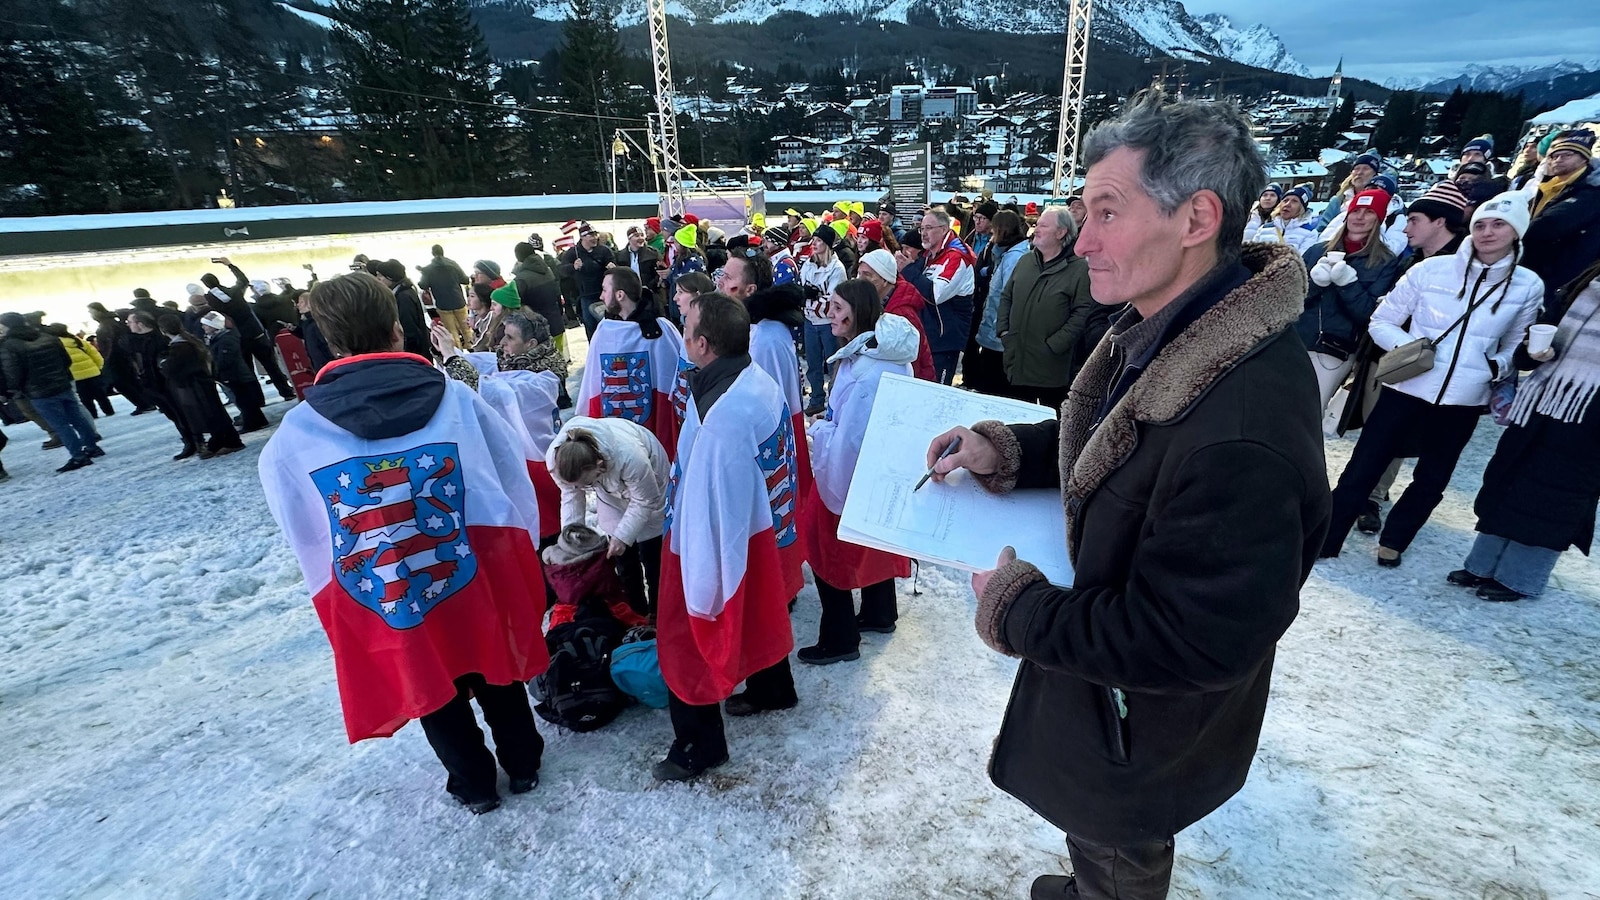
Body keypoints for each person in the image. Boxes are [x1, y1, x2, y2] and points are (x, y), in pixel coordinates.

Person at [923, 94, 1330, 900]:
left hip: (1140, 716)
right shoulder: (1176, 326)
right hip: (1114, 694)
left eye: (1107, 212)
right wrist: (1010, 451)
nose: (1084, 240)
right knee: (1102, 834)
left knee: (1119, 840)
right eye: (1084, 213)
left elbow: (1190, 642)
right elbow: (1126, 439)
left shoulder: (1240, 428)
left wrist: (1018, 609)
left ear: (1196, 218)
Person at [258, 272, 549, 816]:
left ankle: (473, 782)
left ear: (330, 340)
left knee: (430, 675)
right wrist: (521, 547)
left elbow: (301, 522)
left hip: (391, 580)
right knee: (492, 656)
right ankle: (523, 760)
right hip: (469, 567)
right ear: (397, 328)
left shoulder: (298, 433)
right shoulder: (455, 400)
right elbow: (510, 474)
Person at [1320, 194, 1545, 567]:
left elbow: (1515, 342)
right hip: (1407, 388)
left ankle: (1395, 540)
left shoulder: (1527, 285)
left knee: (1433, 478)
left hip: (1465, 398)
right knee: (1363, 466)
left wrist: (1495, 366)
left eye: (1499, 225)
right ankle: (1328, 537)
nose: (1488, 232)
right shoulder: (1430, 270)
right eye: (1480, 224)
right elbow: (1382, 321)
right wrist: (1413, 350)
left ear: (1517, 231)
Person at [653, 291, 798, 782]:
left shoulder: (722, 422)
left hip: (714, 542)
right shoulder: (754, 378)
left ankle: (699, 745)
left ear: (703, 345)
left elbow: (707, 520)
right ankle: (773, 687)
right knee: (761, 605)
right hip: (762, 532)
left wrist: (699, 599)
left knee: (685, 640)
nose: (681, 331)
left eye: (687, 326)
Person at [1455, 261, 1600, 601]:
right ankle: (1482, 565)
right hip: (1540, 399)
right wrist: (1532, 352)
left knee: (1555, 498)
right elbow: (1537, 341)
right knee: (1510, 479)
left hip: (1589, 413)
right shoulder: (1587, 280)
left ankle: (1519, 579)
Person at [1336, 180, 1472, 534]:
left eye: (1414, 220)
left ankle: (1372, 497)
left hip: (1424, 370)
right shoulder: (1412, 260)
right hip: (1387, 355)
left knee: (1397, 436)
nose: (1406, 227)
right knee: (1375, 432)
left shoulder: (1463, 268)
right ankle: (1356, 499)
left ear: (1440, 222)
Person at [798, 280, 916, 664]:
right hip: (880, 471)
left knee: (827, 550)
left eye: (837, 307)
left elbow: (850, 441)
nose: (829, 314)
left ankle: (840, 638)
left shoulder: (867, 372)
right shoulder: (879, 354)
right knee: (873, 542)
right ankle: (880, 612)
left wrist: (820, 432)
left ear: (858, 311)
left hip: (852, 475)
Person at [548, 417, 670, 616]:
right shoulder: (557, 460)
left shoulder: (632, 458)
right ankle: (635, 613)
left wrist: (623, 536)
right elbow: (571, 494)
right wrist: (571, 542)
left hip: (649, 482)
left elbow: (645, 500)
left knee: (652, 555)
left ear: (599, 465)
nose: (582, 488)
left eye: (586, 484)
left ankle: (658, 613)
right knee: (622, 558)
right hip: (608, 489)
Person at [1296, 188, 1403, 414]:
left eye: (1369, 212)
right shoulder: (1316, 251)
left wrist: (1347, 283)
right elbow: (1291, 301)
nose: (1360, 217)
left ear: (1379, 219)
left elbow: (1369, 314)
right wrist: (1315, 284)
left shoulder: (1385, 261)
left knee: (1309, 411)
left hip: (1335, 349)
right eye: (1356, 211)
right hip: (1297, 341)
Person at [996, 205, 1100, 409]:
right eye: (1037, 225)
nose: (1036, 230)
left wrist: (1055, 345)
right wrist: (1003, 330)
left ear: (1061, 233)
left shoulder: (1079, 269)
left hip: (1052, 369)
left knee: (1050, 420)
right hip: (1017, 361)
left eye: (1043, 226)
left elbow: (1083, 313)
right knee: (1016, 418)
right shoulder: (1026, 261)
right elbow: (1007, 296)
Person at [0, 312, 105, 471]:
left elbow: (13, 372)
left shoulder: (9, 345)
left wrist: (12, 390)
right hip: (62, 384)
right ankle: (92, 447)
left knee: (60, 424)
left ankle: (78, 456)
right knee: (77, 417)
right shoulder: (47, 337)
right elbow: (66, 360)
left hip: (38, 391)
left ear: (7, 326)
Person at [198, 257, 296, 400]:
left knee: (248, 370)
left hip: (238, 337)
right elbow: (243, 280)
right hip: (255, 333)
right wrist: (230, 265)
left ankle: (258, 399)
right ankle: (286, 392)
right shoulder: (235, 292)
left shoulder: (211, 299)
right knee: (271, 365)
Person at [1521, 129, 1600, 307]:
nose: (1558, 159)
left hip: (1560, 276)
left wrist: (1513, 231)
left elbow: (1549, 225)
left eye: (1567, 155)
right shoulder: (1548, 186)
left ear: (1584, 159)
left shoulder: (1591, 192)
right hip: (1536, 269)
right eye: (1554, 156)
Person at [157, 314, 243, 458]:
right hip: (201, 383)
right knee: (213, 413)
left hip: (196, 385)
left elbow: (171, 368)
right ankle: (221, 441)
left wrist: (163, 363)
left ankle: (229, 441)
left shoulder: (180, 346)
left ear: (163, 330)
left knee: (210, 414)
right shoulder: (189, 340)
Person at [907, 208, 977, 384]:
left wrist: (908, 269)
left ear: (944, 229)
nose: (924, 233)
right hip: (926, 337)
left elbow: (935, 294)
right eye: (922, 228)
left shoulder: (956, 256)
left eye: (929, 228)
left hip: (943, 341)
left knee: (936, 391)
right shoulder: (928, 254)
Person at [963, 210, 1029, 395]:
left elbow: (1009, 296)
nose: (991, 234)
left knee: (994, 383)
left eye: (994, 229)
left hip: (999, 333)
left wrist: (1000, 327)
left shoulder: (1014, 257)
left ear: (1002, 229)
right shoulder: (1005, 254)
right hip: (994, 329)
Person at [856, 248, 935, 381]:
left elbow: (910, 364)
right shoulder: (875, 303)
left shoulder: (902, 314)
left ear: (885, 280)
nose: (860, 280)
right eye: (859, 273)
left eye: (867, 275)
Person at [799, 226, 849, 414]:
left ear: (827, 244)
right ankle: (816, 399)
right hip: (810, 321)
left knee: (833, 364)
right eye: (814, 240)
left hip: (830, 324)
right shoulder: (807, 264)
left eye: (819, 241)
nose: (814, 244)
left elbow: (832, 303)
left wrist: (810, 299)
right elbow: (801, 293)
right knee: (813, 363)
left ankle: (835, 402)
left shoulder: (837, 269)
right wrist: (812, 298)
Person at [199, 311, 268, 433]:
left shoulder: (226, 339)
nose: (203, 327)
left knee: (244, 401)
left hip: (236, 375)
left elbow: (225, 359)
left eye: (206, 325)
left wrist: (215, 370)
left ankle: (252, 423)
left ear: (214, 326)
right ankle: (258, 421)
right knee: (244, 400)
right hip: (234, 375)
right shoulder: (218, 338)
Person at [88, 304, 153, 413]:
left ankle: (143, 404)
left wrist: (107, 359)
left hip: (116, 358)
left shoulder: (106, 325)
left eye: (91, 311)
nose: (91, 314)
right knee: (130, 381)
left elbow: (109, 345)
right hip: (121, 357)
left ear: (98, 311)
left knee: (122, 383)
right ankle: (147, 402)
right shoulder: (111, 322)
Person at [560, 223, 618, 339]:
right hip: (585, 296)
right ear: (582, 237)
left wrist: (613, 267)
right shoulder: (573, 252)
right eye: (591, 235)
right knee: (591, 326)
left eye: (595, 235)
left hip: (605, 294)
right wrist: (573, 267)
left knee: (609, 324)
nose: (595, 238)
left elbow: (614, 265)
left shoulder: (604, 251)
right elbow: (562, 271)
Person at [44, 323, 113, 418]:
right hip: (92, 371)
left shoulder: (54, 344)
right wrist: (99, 367)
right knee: (100, 394)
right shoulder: (76, 340)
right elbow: (94, 353)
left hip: (75, 376)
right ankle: (109, 411)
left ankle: (92, 414)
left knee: (85, 398)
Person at [418, 244, 471, 347]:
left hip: (443, 304)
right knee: (466, 329)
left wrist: (423, 272)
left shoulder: (428, 269)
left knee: (452, 331)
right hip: (459, 301)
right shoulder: (453, 264)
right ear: (443, 252)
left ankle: (458, 352)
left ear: (432, 253)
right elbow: (465, 280)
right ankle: (472, 347)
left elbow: (423, 285)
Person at [1246, 184, 1319, 253]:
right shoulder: (1264, 228)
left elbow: (1303, 258)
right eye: (1285, 200)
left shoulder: (1310, 233)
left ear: (1301, 208)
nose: (1287, 204)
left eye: (1294, 201)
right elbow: (1252, 253)